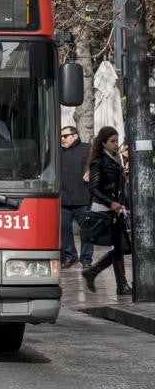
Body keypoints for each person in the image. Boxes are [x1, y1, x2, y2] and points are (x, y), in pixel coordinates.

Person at [83, 126, 132, 296]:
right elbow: (93, 188)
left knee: (124, 247)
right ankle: (121, 285)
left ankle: (94, 272)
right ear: (103, 143)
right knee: (121, 247)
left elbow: (120, 187)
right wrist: (111, 203)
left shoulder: (115, 159)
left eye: (117, 140)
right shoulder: (99, 161)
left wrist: (124, 206)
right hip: (106, 210)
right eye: (112, 141)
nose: (116, 144)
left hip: (117, 210)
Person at [59, 125, 93, 269]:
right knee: (64, 228)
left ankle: (86, 258)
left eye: (65, 136)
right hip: (63, 199)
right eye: (61, 136)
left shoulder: (87, 148)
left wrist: (91, 171)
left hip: (82, 198)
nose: (62, 139)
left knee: (86, 229)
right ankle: (70, 256)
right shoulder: (57, 151)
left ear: (75, 136)